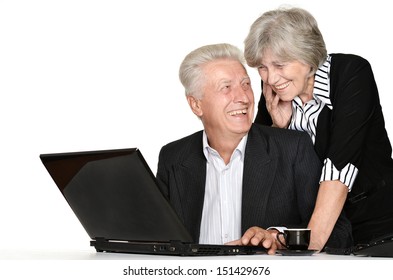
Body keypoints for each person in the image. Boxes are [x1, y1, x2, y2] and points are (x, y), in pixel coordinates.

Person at [155, 43, 351, 255]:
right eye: (226, 87)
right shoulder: (173, 157)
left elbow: (341, 235)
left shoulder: (293, 148)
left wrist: (279, 238)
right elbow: (155, 238)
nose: (243, 97)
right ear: (196, 105)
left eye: (246, 84)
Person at [244, 6, 393, 251]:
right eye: (262, 67)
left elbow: (340, 166)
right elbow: (262, 174)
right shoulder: (274, 91)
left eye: (279, 65)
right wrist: (280, 131)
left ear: (308, 56)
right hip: (316, 227)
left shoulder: (350, 73)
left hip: (378, 224)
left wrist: (309, 243)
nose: (270, 78)